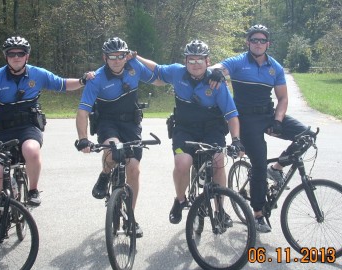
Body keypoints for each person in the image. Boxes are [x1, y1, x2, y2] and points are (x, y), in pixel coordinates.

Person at [210, 24, 315, 232]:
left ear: (268, 43)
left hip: (268, 114)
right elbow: (218, 66)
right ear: (248, 42)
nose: (258, 43)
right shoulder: (239, 62)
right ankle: (257, 214)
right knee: (258, 164)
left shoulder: (274, 67)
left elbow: (283, 97)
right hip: (246, 120)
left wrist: (278, 119)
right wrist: (215, 72)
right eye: (254, 40)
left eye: (262, 40)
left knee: (308, 135)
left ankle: (276, 169)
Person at [135, 40, 245, 225]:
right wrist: (134, 56)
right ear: (185, 61)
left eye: (199, 60)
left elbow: (232, 115)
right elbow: (156, 68)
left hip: (212, 129)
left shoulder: (216, 83)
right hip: (184, 129)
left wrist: (236, 140)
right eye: (191, 60)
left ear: (208, 61)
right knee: (182, 162)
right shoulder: (177, 72)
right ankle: (180, 200)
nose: (195, 64)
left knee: (218, 161)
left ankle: (220, 211)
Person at [0, 36, 88, 206]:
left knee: (31, 150)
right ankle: (1, 213)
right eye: (11, 53)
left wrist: (82, 81)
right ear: (5, 56)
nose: (16, 57)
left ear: (26, 56)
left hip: (28, 128)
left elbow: (62, 84)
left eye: (20, 53)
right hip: (2, 131)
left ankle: (33, 190)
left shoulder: (37, 74)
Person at [75, 37, 159, 238]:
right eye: (112, 57)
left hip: (131, 124)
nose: (116, 60)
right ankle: (105, 174)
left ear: (126, 55)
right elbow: (82, 111)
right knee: (114, 151)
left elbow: (157, 77)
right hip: (108, 123)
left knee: (134, 169)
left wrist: (140, 58)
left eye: (120, 56)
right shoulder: (96, 78)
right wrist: (83, 138)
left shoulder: (134, 67)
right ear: (105, 57)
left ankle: (130, 215)